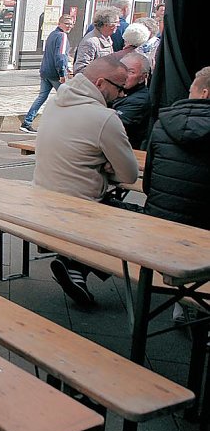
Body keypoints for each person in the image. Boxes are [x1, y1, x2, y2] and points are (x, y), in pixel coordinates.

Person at [33, 55, 139, 305]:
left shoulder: (55, 103)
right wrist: (106, 167)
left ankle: (75, 268)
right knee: (145, 220)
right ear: (101, 83)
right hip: (81, 209)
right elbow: (129, 176)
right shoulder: (105, 118)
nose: (123, 95)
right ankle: (77, 264)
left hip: (41, 199)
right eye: (120, 88)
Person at [143, 66, 210, 324]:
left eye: (192, 87)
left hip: (158, 224)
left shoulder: (163, 124)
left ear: (203, 93)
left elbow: (148, 183)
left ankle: (181, 306)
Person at [20, 14, 74, 133]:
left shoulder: (52, 34)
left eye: (71, 24)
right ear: (59, 24)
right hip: (55, 74)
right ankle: (61, 126)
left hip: (45, 71)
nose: (69, 26)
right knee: (68, 99)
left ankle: (27, 122)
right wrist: (62, 73)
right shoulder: (62, 36)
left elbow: (53, 54)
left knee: (42, 97)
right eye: (66, 23)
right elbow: (60, 56)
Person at [112, 52, 152, 149]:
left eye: (131, 72)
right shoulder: (116, 90)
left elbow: (112, 126)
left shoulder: (141, 100)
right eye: (121, 69)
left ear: (142, 78)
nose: (124, 75)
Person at [74, 7, 117, 74]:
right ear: (106, 24)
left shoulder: (107, 38)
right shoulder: (90, 42)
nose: (118, 25)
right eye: (116, 22)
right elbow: (80, 68)